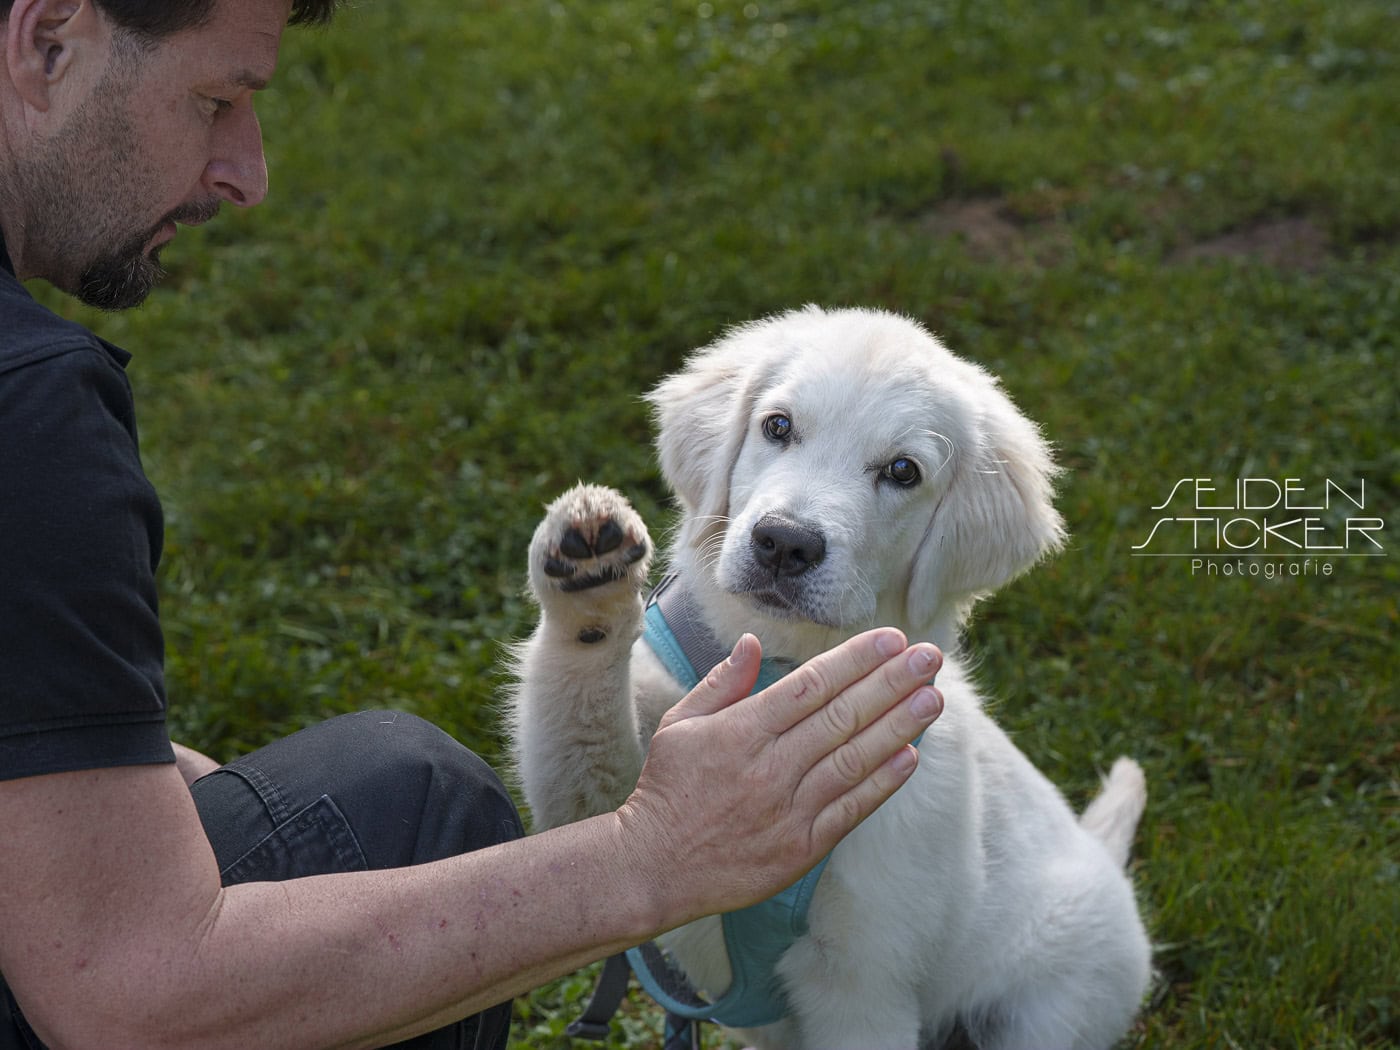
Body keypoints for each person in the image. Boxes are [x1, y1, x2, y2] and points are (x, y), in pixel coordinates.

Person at [0, 0, 946, 1047]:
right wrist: (651, 857)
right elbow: (129, 995)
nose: (245, 174)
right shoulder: (28, 412)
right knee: (406, 807)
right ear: (47, 45)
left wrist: (131, 789)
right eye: (215, 100)